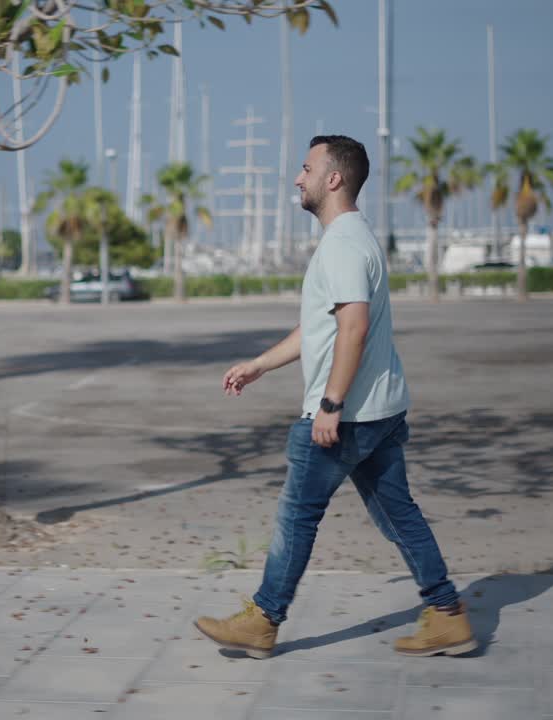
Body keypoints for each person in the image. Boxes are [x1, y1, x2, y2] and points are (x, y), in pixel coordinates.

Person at [193, 135, 475, 660]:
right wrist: (259, 365)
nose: (297, 178)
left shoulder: (342, 243)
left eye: (305, 168)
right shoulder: (355, 237)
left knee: (297, 516)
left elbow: (354, 327)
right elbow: (322, 328)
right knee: (399, 514)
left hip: (346, 417)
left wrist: (330, 404)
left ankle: (262, 619)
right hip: (381, 410)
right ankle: (447, 614)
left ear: (334, 178)